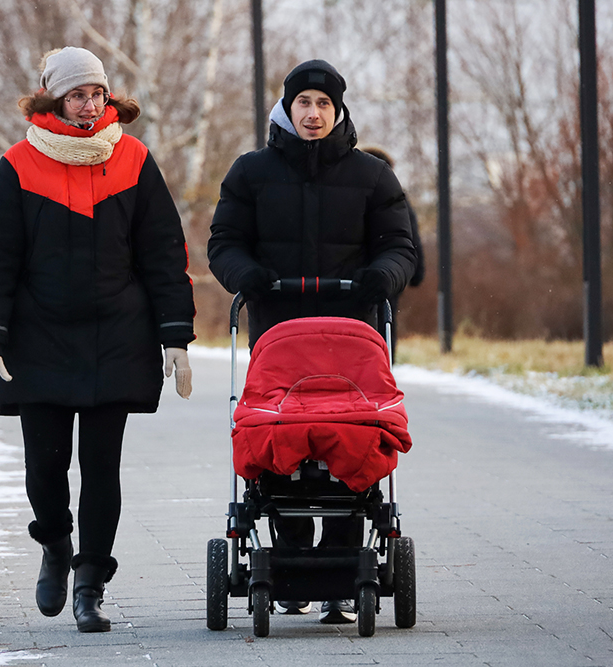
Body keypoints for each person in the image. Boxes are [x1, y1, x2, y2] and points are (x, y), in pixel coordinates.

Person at [0, 47, 195, 634]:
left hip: (115, 337)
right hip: (37, 338)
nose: (90, 105)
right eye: (76, 95)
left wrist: (175, 335)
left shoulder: (135, 160)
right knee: (45, 465)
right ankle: (55, 545)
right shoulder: (17, 165)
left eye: (96, 93)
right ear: (52, 100)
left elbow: (165, 252)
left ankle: (90, 581)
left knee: (101, 465)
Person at [207, 59, 416, 624]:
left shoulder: (371, 176)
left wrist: (383, 276)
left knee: (352, 435)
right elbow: (224, 240)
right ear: (287, 108)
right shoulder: (251, 173)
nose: (314, 113)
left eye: (324, 104)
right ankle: (291, 552)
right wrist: (244, 274)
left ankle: (344, 563)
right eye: (305, 102)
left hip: (353, 335)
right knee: (280, 431)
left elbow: (400, 244)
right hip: (279, 334)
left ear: (339, 110)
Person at [360, 146, 426, 360]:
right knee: (386, 324)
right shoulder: (397, 198)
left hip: (357, 275)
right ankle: (385, 370)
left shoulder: (354, 194)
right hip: (389, 274)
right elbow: (409, 238)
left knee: (359, 330)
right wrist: (416, 273)